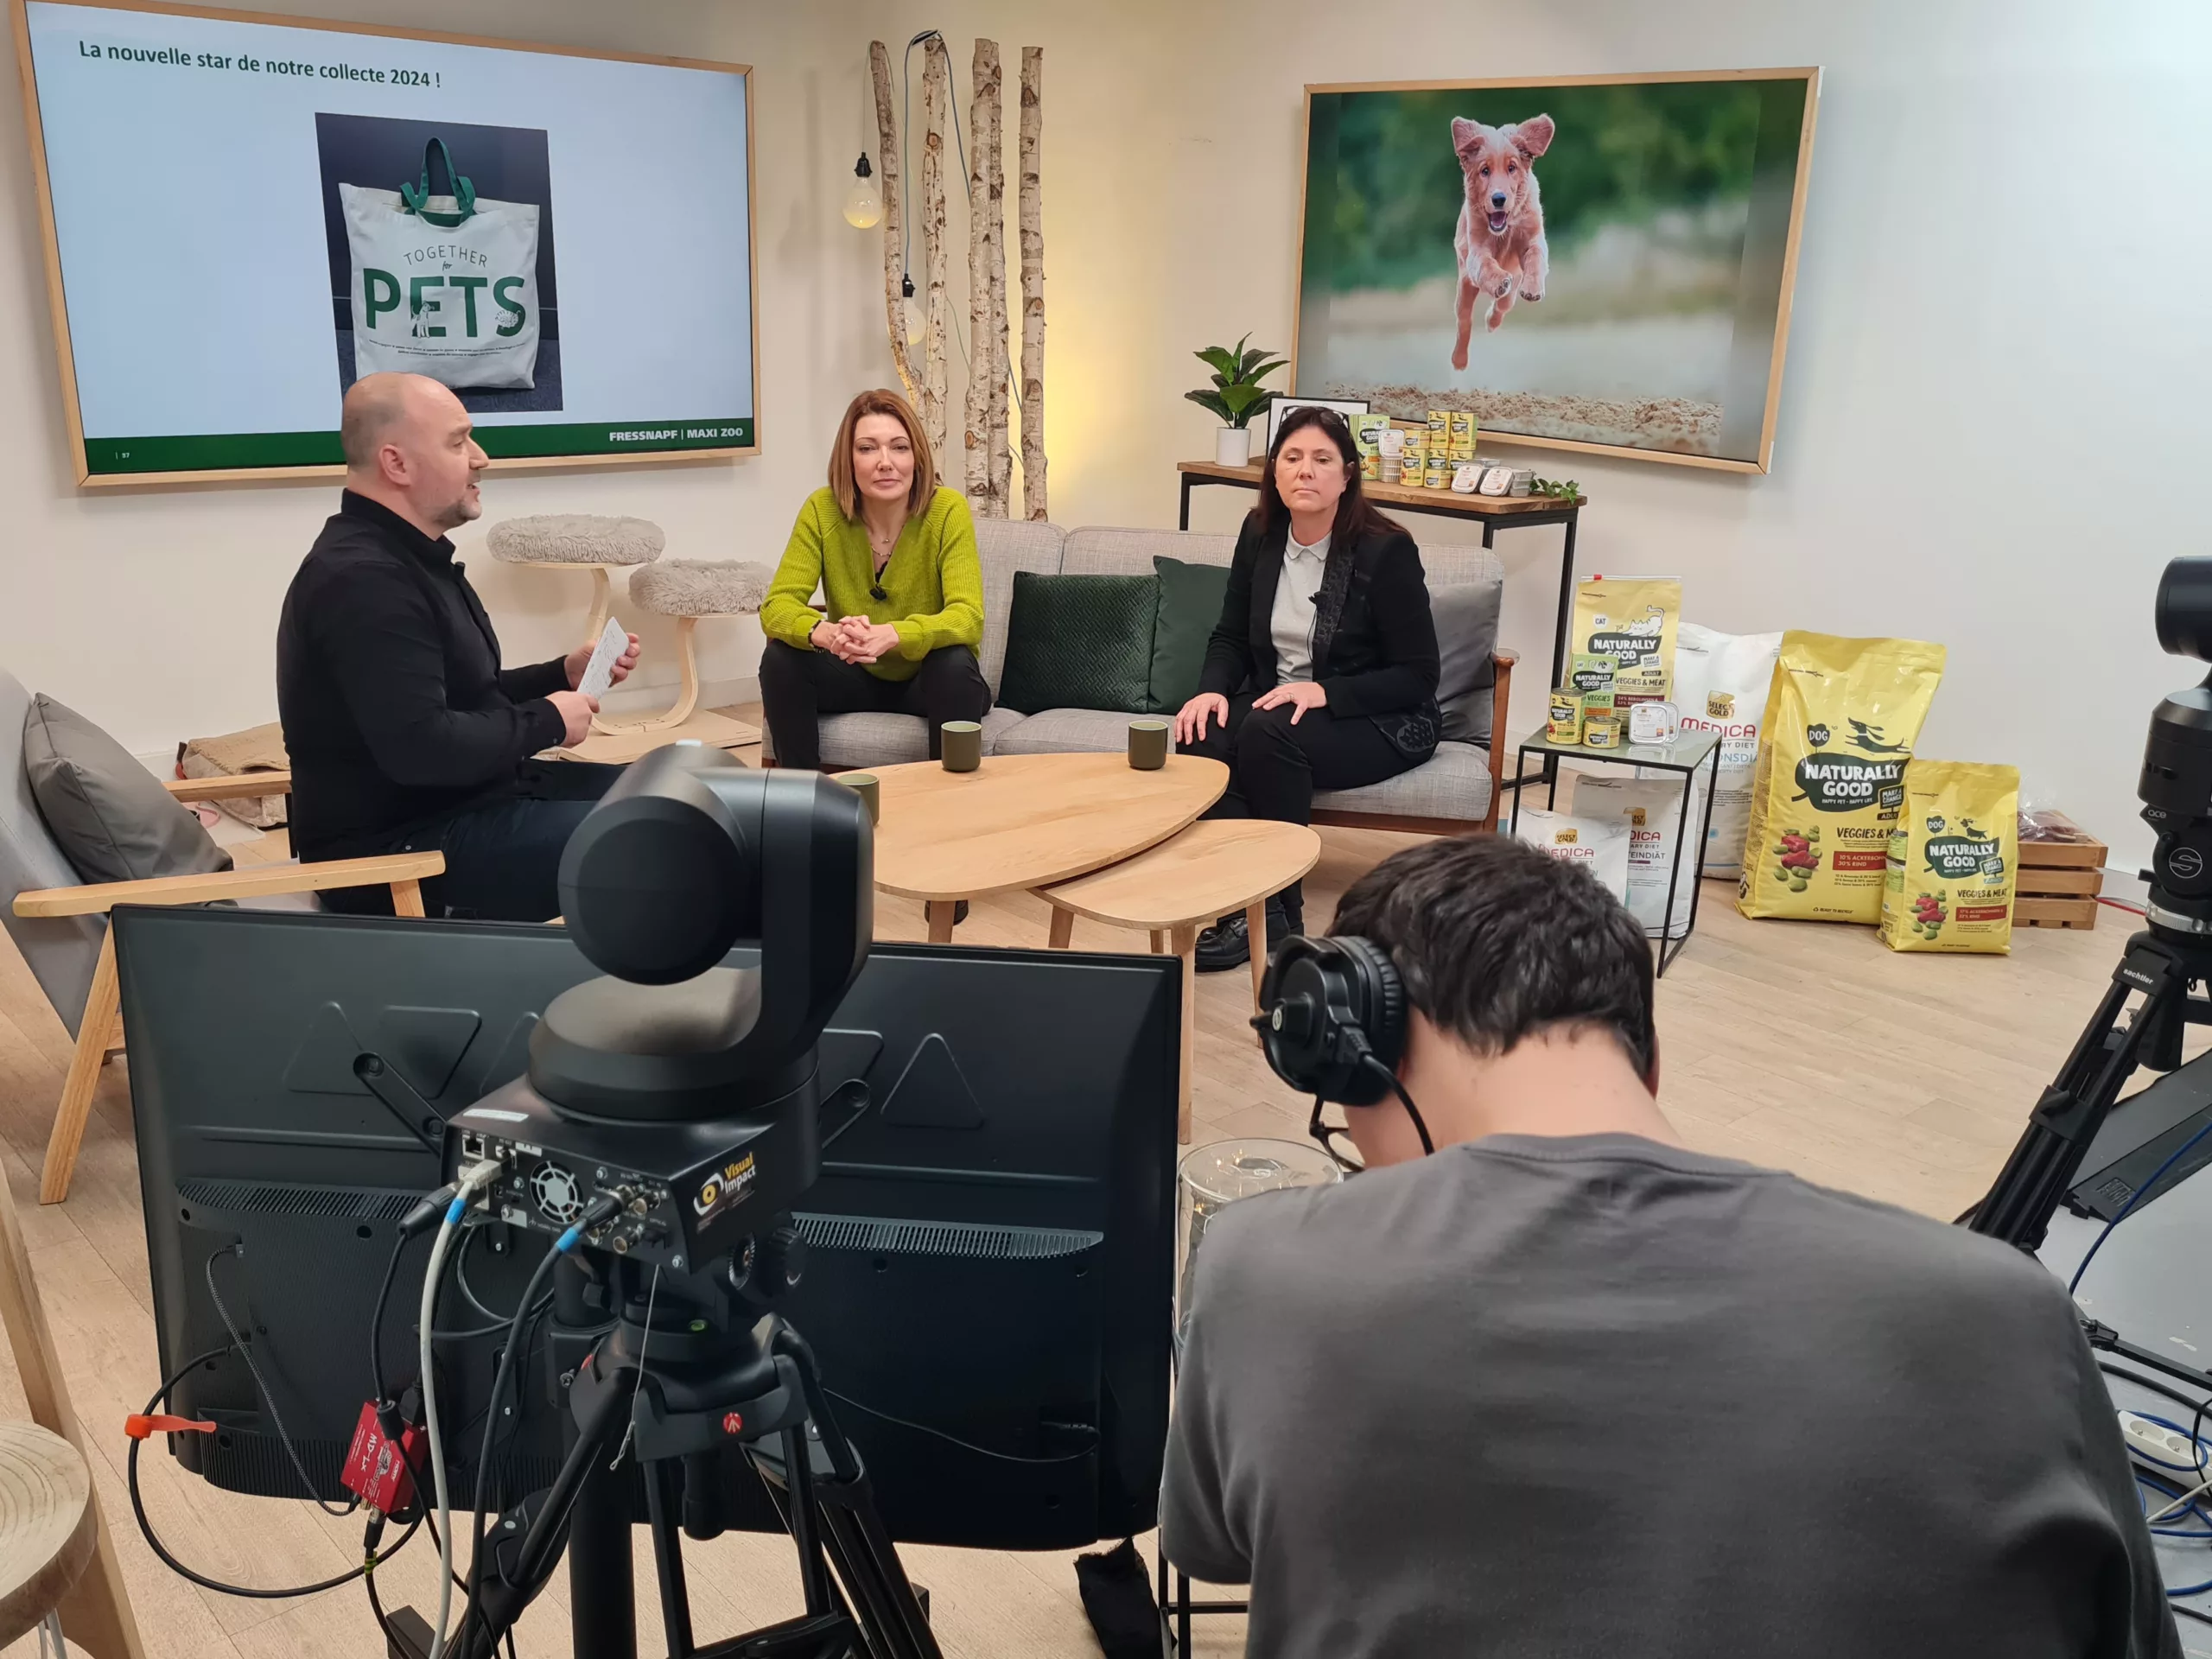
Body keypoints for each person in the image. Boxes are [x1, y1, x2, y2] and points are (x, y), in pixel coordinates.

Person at [1160, 834, 2181, 1659]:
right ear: (1648, 1063)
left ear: (1354, 1044)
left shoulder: (1261, 1269)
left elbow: (1209, 1550)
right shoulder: (2001, 1310)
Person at [277, 372, 640, 922]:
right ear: (396, 463)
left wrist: (560, 674)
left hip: (474, 801)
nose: (481, 457)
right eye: (458, 441)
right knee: (673, 838)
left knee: (681, 791)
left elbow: (460, 697)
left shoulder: (407, 559)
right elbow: (421, 745)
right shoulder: (363, 581)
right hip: (399, 855)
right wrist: (546, 720)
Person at [1171, 406, 1438, 972]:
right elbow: (1229, 634)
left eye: (1322, 460)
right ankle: (1239, 903)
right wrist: (1211, 690)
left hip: (1379, 716)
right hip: (1282, 704)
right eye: (1292, 458)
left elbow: (1418, 675)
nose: (1305, 472)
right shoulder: (1260, 533)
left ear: (1347, 475)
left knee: (1268, 733)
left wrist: (1325, 694)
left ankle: (1278, 910)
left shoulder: (1385, 551)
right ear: (1274, 472)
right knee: (1202, 735)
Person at [757, 388, 990, 769]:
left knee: (954, 662)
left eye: (899, 447)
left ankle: (951, 806)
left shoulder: (947, 510)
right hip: (853, 677)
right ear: (848, 460)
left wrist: (895, 634)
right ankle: (802, 799)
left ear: (916, 456)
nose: (885, 462)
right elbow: (777, 607)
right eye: (867, 449)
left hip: (927, 682)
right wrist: (826, 633)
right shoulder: (822, 509)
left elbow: (968, 617)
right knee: (780, 659)